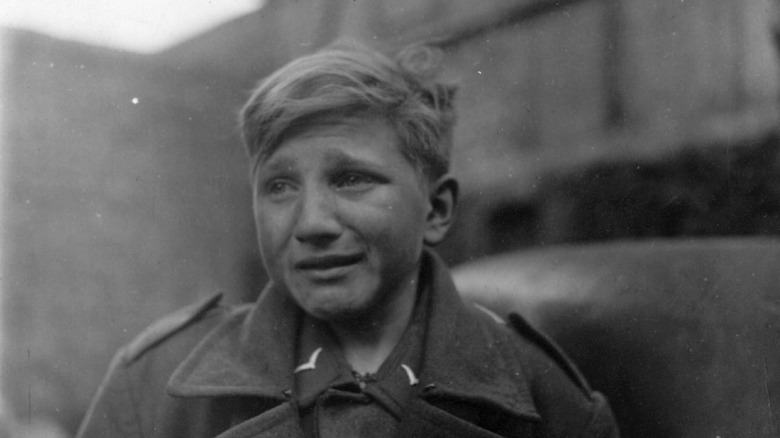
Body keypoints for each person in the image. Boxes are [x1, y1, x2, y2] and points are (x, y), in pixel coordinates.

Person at [76, 41, 619, 438]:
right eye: (280, 186)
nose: (312, 222)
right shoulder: (154, 386)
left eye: (351, 178)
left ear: (438, 208)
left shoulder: (547, 404)